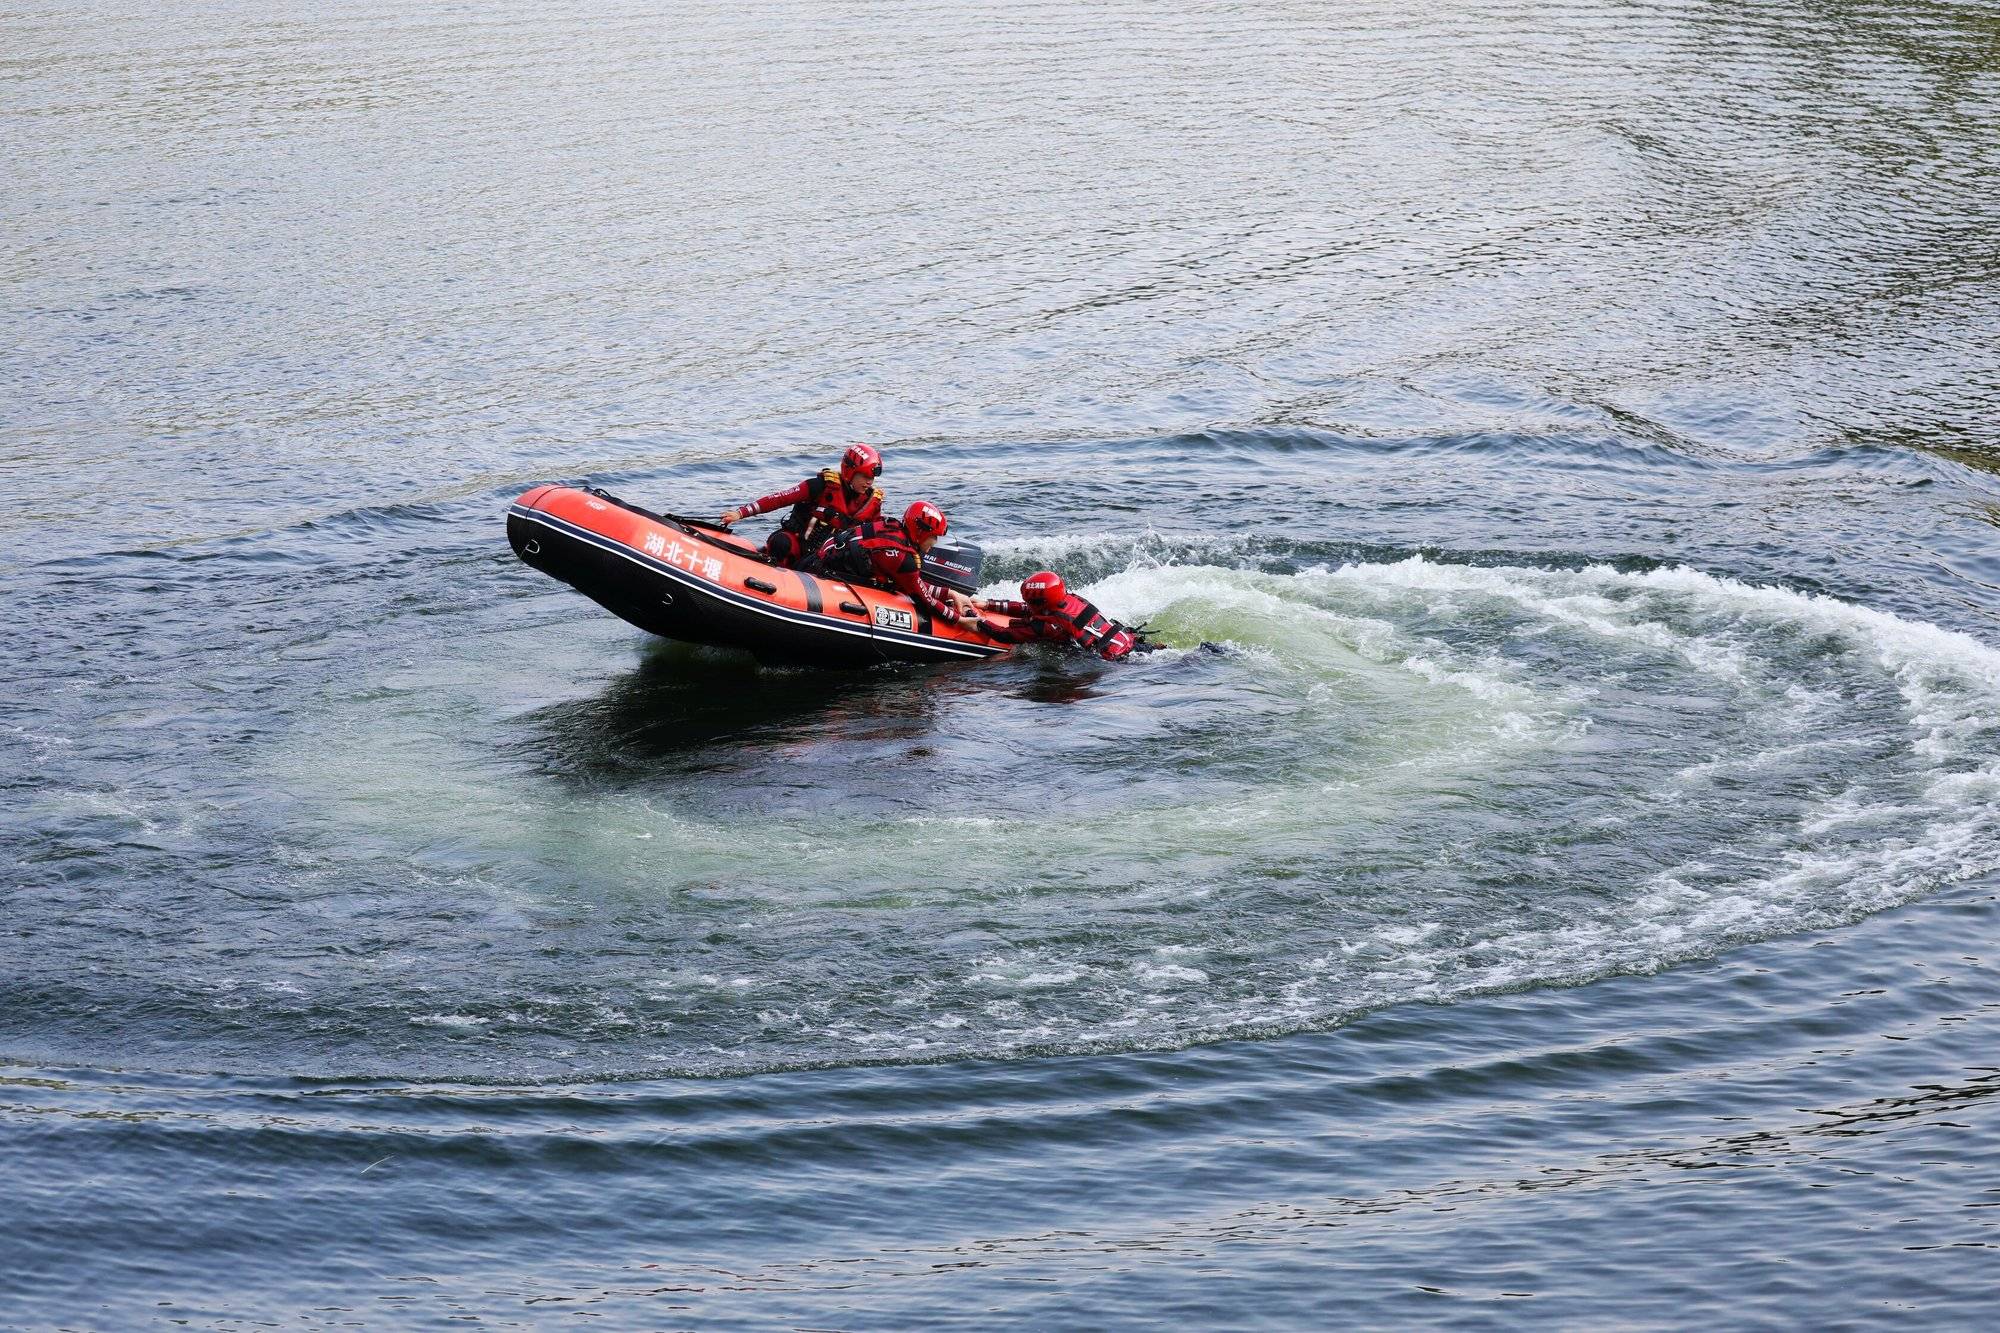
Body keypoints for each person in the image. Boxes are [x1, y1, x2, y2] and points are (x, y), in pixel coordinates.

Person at [718, 444, 884, 566]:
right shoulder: (820, 486)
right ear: (850, 471)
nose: (869, 482)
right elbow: (779, 498)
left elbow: (875, 537)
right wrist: (740, 513)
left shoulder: (871, 503)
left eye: (872, 478)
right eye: (864, 476)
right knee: (781, 543)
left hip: (827, 556)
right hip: (799, 543)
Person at [809, 500, 966, 626]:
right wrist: (959, 620)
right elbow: (926, 602)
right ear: (921, 532)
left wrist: (950, 593)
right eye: (934, 537)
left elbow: (913, 585)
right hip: (823, 571)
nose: (935, 543)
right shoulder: (903, 559)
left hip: (819, 557)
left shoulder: (892, 527)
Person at [974, 570, 1148, 659]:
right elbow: (1028, 609)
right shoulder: (1071, 600)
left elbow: (1003, 635)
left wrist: (977, 620)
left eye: (1029, 601)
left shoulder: (1048, 626)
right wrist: (987, 604)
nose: (1026, 603)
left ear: (1039, 603)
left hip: (1121, 661)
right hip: (1130, 642)